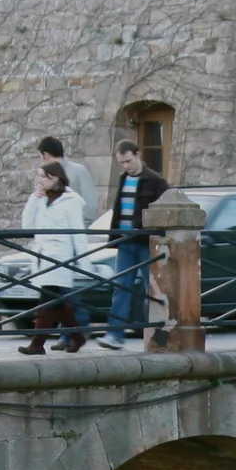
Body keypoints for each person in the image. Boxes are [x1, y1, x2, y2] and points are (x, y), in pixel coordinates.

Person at [101, 137, 169, 349]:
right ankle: (115, 335)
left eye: (128, 161)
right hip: (125, 241)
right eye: (121, 162)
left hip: (145, 243)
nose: (125, 166)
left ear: (138, 155)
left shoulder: (156, 181)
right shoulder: (123, 179)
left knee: (154, 290)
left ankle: (161, 333)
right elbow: (120, 210)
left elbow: (165, 213)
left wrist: (149, 230)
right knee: (121, 287)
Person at [19, 159, 92, 353]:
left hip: (60, 257)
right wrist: (34, 199)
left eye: (44, 177)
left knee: (46, 301)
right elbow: (27, 225)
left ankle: (37, 344)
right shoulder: (42, 199)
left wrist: (83, 261)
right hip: (41, 256)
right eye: (39, 176)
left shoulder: (71, 201)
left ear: (56, 178)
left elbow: (78, 231)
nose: (40, 180)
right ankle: (77, 337)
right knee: (57, 304)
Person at [37, 134, 97, 223]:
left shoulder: (78, 171)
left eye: (40, 157)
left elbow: (89, 207)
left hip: (73, 227)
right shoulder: (45, 175)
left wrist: (81, 227)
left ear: (46, 155)